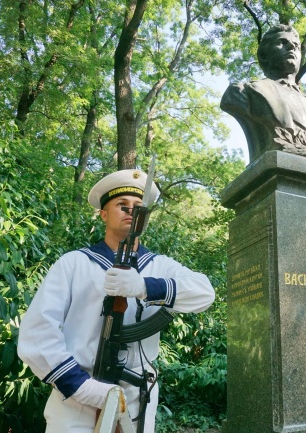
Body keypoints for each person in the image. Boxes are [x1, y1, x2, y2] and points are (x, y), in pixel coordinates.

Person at [17, 169, 216, 433]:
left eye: (137, 207)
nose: (130, 212)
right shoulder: (74, 263)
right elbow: (36, 335)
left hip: (137, 398)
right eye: (122, 205)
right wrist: (85, 388)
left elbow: (204, 293)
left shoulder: (159, 266)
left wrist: (145, 286)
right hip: (78, 396)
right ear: (103, 214)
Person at [220, 24, 306, 165]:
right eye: (282, 42)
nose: (292, 47)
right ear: (263, 56)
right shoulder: (243, 92)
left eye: (296, 46)